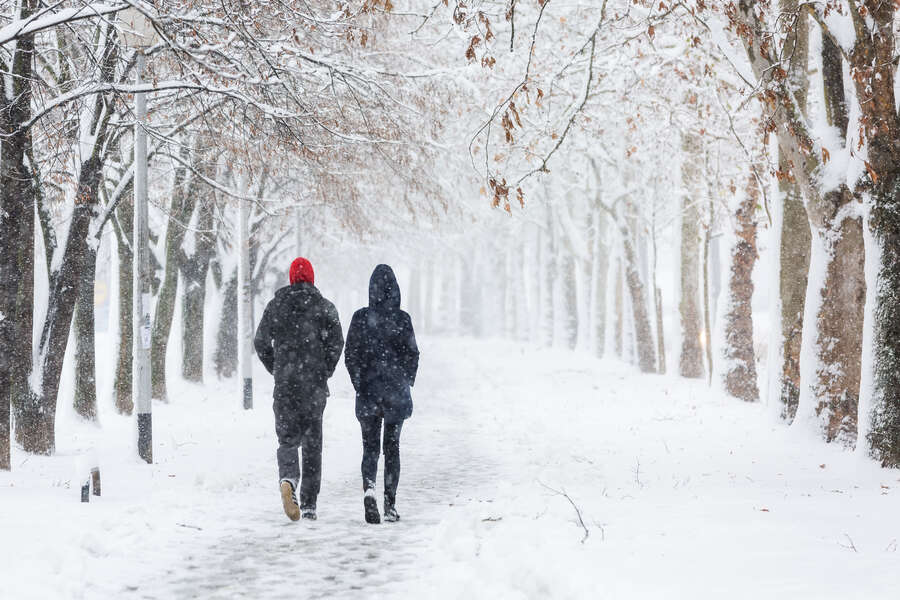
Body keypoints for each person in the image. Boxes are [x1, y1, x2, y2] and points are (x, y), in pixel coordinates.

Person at [254, 257, 344, 521]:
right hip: (313, 386)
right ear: (312, 278)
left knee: (287, 439)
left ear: (291, 278)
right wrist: (324, 369)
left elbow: (260, 341)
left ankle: (288, 479)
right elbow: (337, 344)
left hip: (285, 385)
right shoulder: (324, 307)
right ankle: (309, 504)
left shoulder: (276, 306)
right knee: (313, 444)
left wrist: (277, 367)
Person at [344, 264, 419, 524]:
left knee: (370, 448)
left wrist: (359, 382)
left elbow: (350, 354)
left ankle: (369, 489)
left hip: (368, 393)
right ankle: (389, 503)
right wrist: (406, 379)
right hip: (395, 394)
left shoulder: (360, 317)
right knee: (392, 448)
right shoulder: (402, 319)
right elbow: (413, 354)